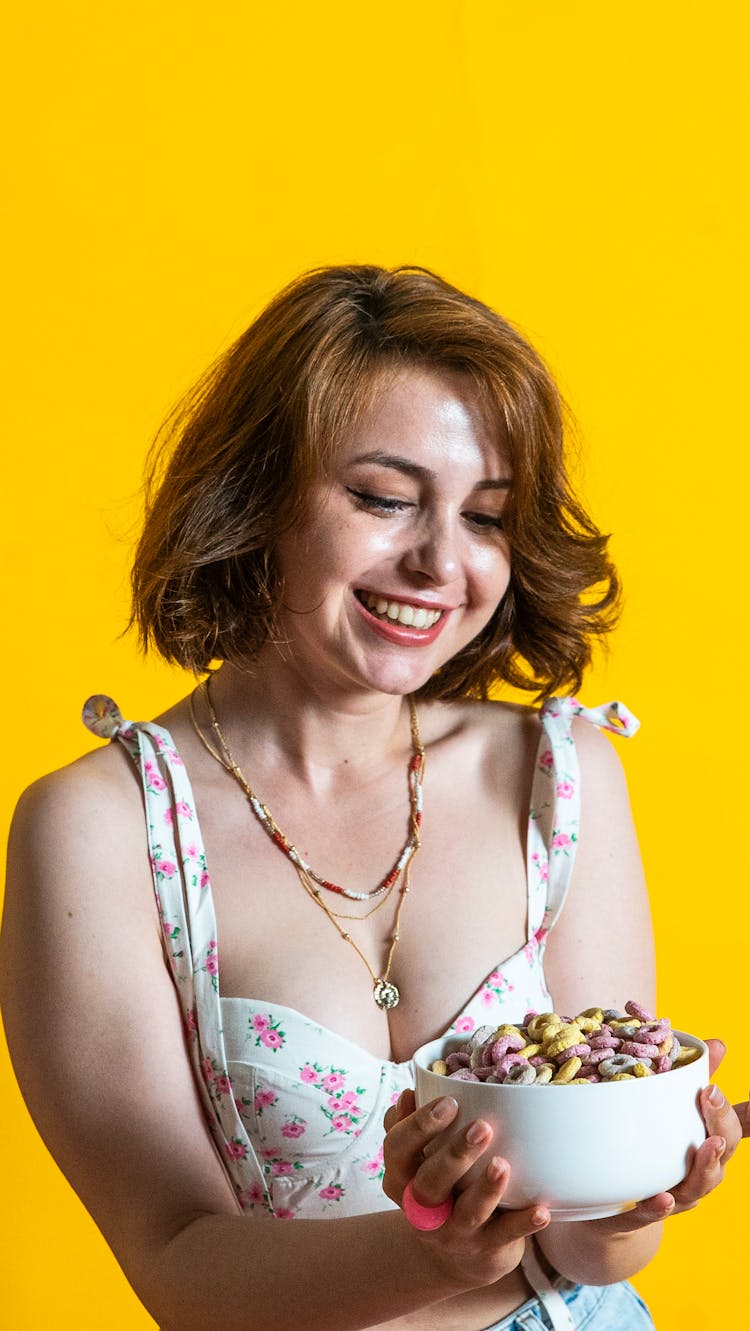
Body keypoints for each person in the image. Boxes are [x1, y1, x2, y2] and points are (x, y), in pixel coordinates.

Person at [1, 265, 742, 1331]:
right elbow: (174, 1260)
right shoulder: (99, 827)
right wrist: (431, 1252)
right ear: (257, 496)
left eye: (486, 517)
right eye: (385, 498)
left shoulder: (556, 776)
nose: (441, 561)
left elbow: (590, 1241)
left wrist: (653, 1174)